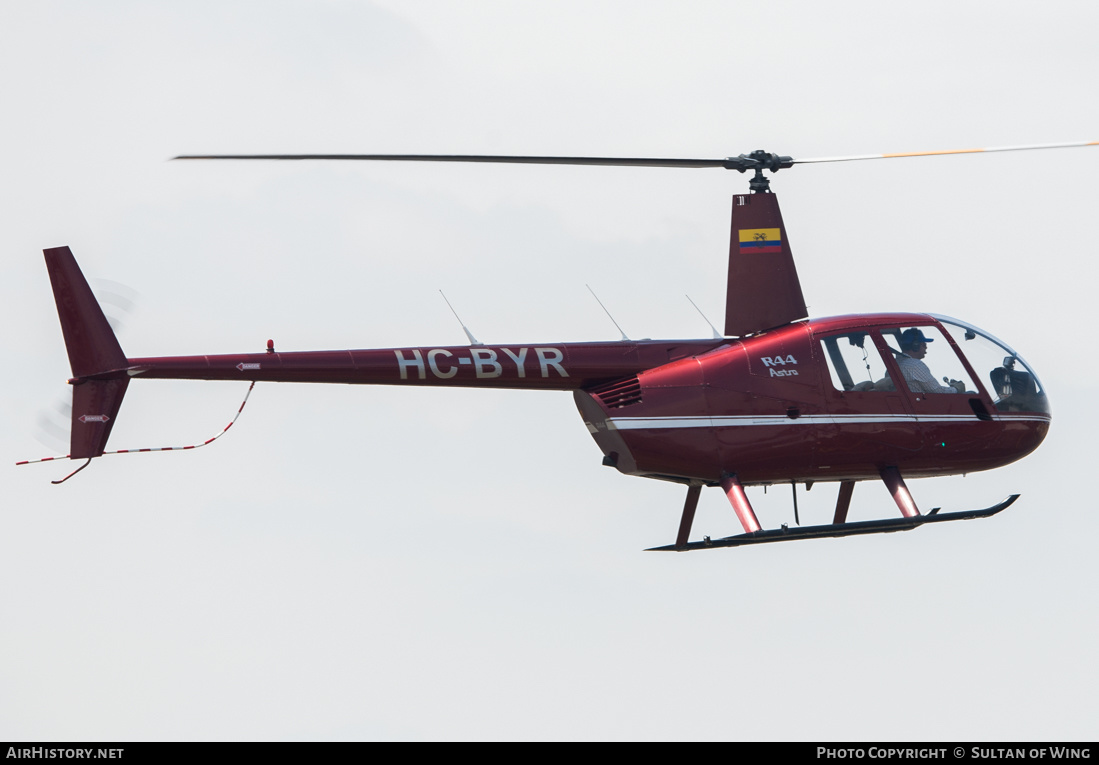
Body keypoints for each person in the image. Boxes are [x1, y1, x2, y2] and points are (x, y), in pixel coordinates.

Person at [896, 328, 965, 394]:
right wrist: (956, 389)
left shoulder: (896, 363)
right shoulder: (914, 365)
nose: (926, 347)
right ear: (915, 345)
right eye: (924, 344)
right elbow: (938, 391)